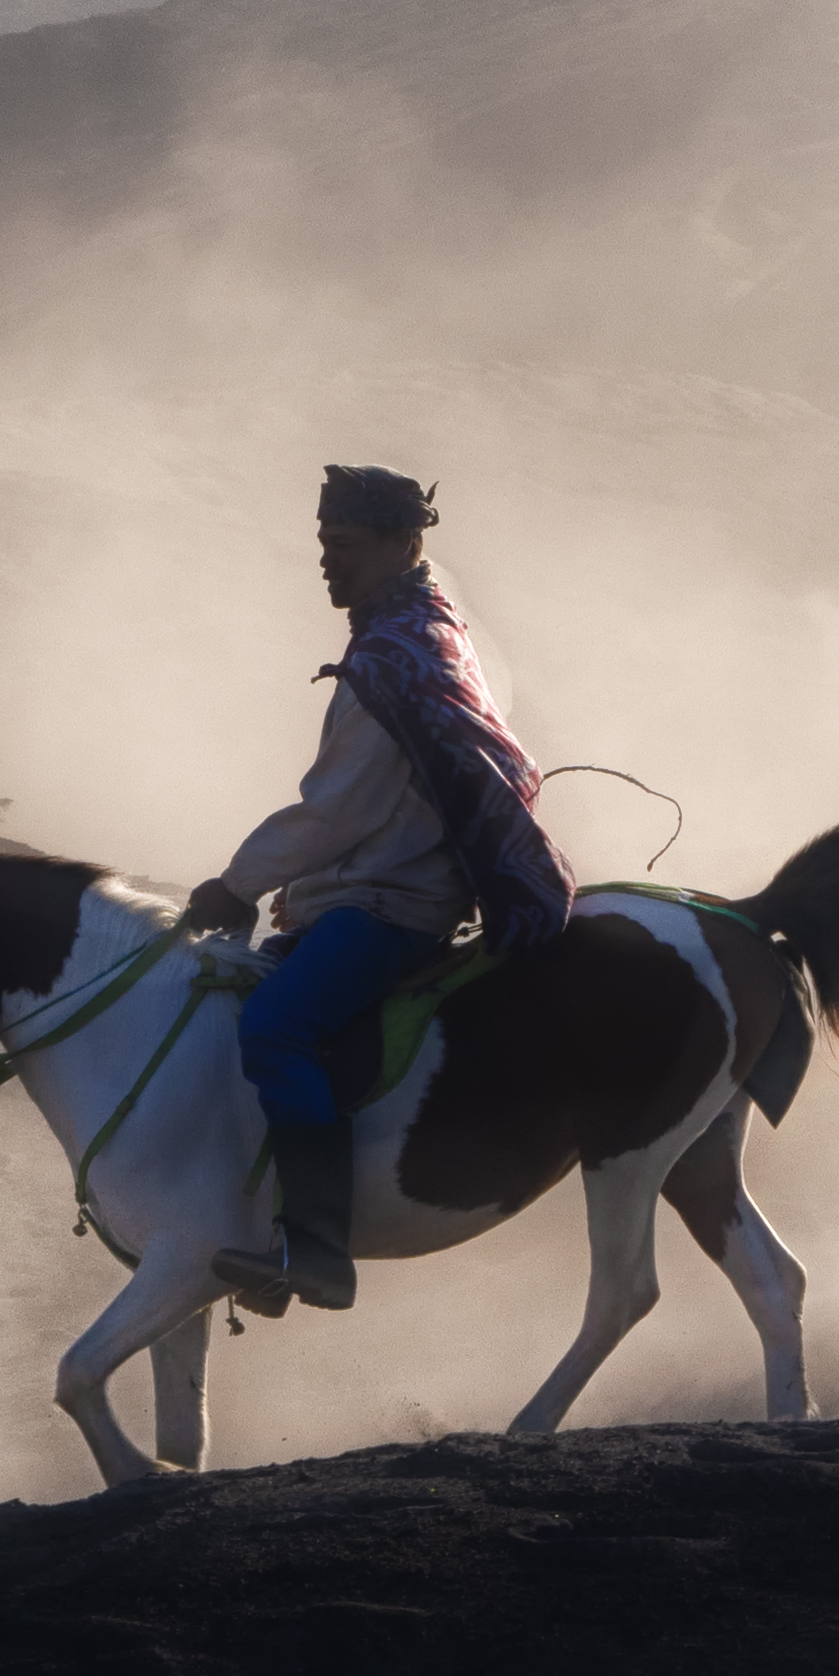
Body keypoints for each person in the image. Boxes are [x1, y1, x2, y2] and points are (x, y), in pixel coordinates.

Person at [175, 465, 573, 1314]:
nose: (328, 561)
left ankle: (314, 1250)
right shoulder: (425, 634)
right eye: (324, 544)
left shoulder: (391, 659)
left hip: (391, 908)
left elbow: (340, 809)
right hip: (376, 892)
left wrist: (236, 885)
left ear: (402, 545)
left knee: (275, 1027)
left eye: (345, 545)